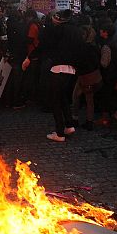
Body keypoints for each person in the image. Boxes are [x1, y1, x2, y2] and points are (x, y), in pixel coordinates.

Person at [23, 10, 83, 142]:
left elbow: (43, 46)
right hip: (71, 69)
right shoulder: (77, 31)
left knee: (55, 99)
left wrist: (29, 57)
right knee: (62, 97)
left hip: (58, 67)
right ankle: (69, 125)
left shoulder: (57, 31)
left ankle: (60, 133)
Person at [71, 23, 102, 131]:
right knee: (89, 99)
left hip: (85, 75)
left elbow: (79, 61)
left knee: (76, 97)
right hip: (93, 75)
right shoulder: (94, 47)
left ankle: (76, 118)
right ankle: (89, 121)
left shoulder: (84, 47)